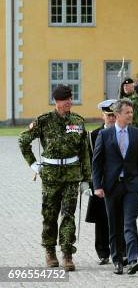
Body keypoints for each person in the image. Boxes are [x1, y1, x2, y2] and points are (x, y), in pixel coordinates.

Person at [18, 84, 91, 271]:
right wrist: (33, 164)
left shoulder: (78, 121)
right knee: (49, 214)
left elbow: (85, 152)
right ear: (57, 101)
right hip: (50, 175)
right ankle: (49, 251)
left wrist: (86, 178)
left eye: (70, 98)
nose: (70, 102)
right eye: (66, 99)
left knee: (68, 215)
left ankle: (67, 254)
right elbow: (23, 140)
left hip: (72, 175)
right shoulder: (43, 120)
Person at [92, 98, 138, 275]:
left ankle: (132, 259)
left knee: (130, 222)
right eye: (127, 112)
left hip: (131, 185)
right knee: (114, 224)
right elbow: (97, 163)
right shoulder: (104, 135)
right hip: (111, 186)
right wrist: (97, 186)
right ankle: (117, 260)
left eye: (131, 112)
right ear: (117, 115)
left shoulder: (136, 133)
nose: (130, 115)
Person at [87, 99, 124, 266]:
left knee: (121, 217)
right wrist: (89, 183)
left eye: (113, 115)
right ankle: (103, 252)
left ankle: (122, 251)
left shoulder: (123, 132)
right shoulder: (93, 136)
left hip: (119, 182)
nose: (111, 119)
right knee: (101, 219)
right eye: (108, 115)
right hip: (101, 183)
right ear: (103, 116)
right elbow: (89, 160)